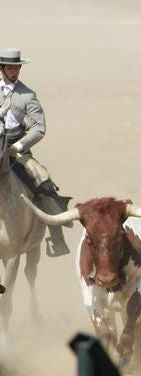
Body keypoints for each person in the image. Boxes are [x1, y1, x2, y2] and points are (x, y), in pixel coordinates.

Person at [0, 48, 71, 256]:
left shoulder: (27, 95)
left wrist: (17, 147)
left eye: (16, 68)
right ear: (2, 68)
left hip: (17, 151)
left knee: (43, 181)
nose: (14, 72)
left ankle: (56, 239)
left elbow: (39, 127)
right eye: (10, 68)